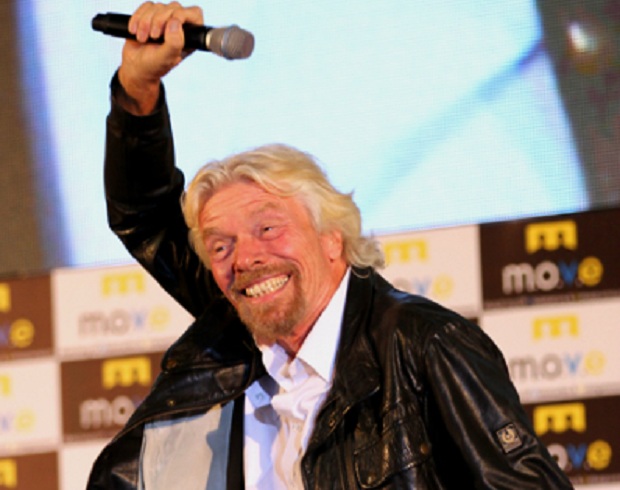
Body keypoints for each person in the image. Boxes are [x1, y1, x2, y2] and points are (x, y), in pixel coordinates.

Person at [87, 2, 574, 489]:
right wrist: (137, 86)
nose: (246, 258)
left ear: (332, 237)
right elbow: (146, 217)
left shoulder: (425, 346)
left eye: (268, 229)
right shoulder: (234, 338)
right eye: (220, 247)